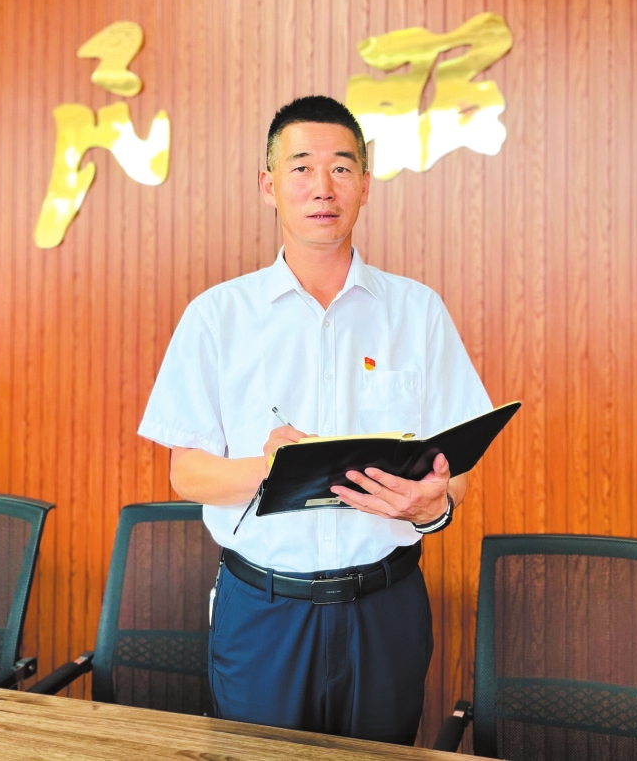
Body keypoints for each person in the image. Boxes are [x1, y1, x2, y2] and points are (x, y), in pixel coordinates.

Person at [138, 95, 491, 745]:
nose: (322, 186)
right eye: (301, 167)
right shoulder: (217, 316)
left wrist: (432, 506)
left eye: (341, 167)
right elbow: (186, 473)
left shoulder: (418, 312)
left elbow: (454, 471)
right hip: (264, 611)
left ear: (365, 183)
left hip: (385, 609)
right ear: (268, 185)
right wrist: (268, 469)